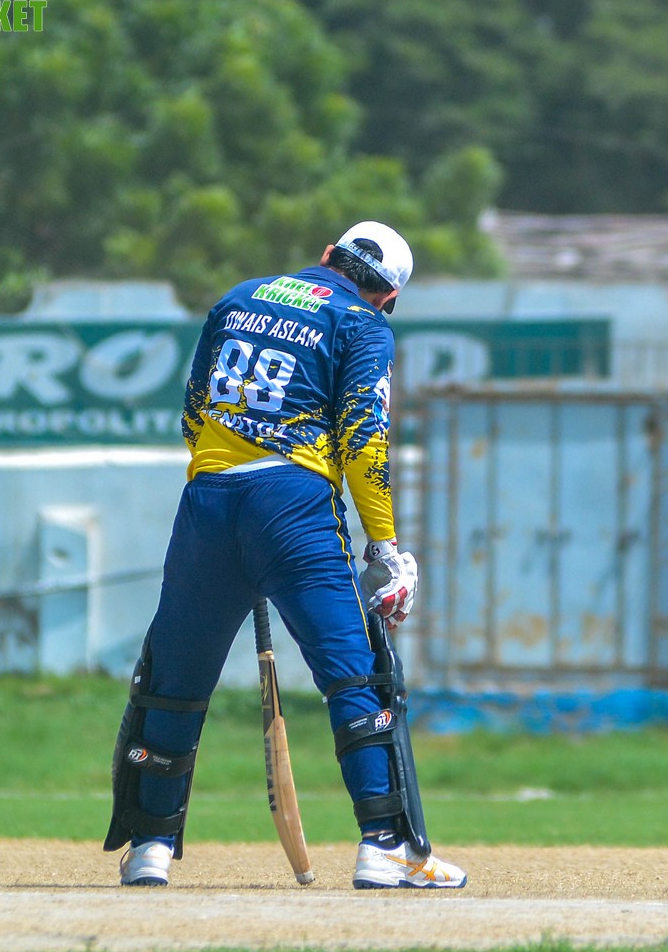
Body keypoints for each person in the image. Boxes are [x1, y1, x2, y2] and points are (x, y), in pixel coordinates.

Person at [104, 221, 467, 890]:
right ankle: (385, 846)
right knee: (354, 674)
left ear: (328, 255)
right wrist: (385, 547)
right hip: (294, 506)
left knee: (174, 679)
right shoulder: (363, 325)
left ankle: (151, 845)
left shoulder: (239, 297)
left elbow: (193, 412)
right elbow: (363, 439)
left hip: (208, 500)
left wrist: (234, 504)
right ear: (388, 296)